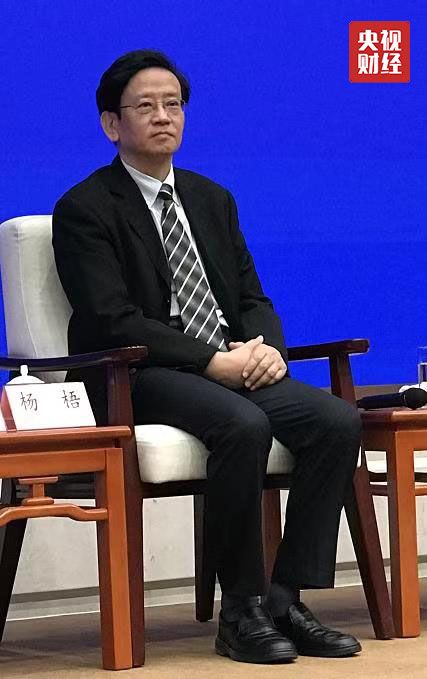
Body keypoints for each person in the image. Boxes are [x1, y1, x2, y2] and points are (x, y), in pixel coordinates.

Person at [52, 49, 362, 664]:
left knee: (335, 420)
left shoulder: (211, 198)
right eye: (146, 106)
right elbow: (111, 318)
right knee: (242, 425)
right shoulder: (84, 208)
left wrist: (266, 350)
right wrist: (208, 361)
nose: (163, 117)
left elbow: (250, 297)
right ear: (112, 123)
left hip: (226, 364)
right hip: (137, 371)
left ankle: (284, 599)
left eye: (173, 105)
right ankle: (240, 609)